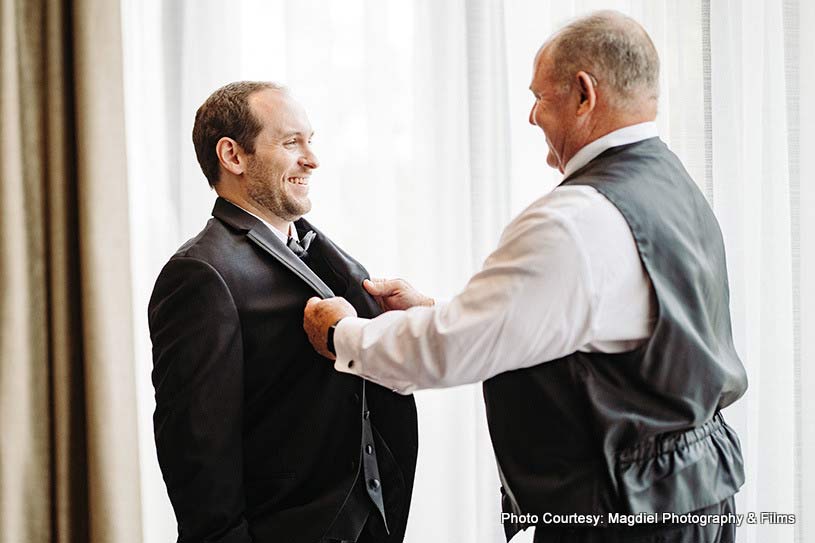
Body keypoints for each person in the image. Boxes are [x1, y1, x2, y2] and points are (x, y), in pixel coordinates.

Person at [303, 11, 747, 543]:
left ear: (584, 94)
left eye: (539, 97)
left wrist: (342, 334)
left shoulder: (575, 219)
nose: (532, 117)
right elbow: (593, 324)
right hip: (694, 497)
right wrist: (436, 312)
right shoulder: (671, 184)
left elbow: (452, 348)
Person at [148, 81, 418, 543]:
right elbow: (199, 458)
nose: (312, 159)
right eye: (292, 143)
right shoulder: (199, 274)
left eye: (310, 142)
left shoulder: (328, 255)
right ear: (233, 155)